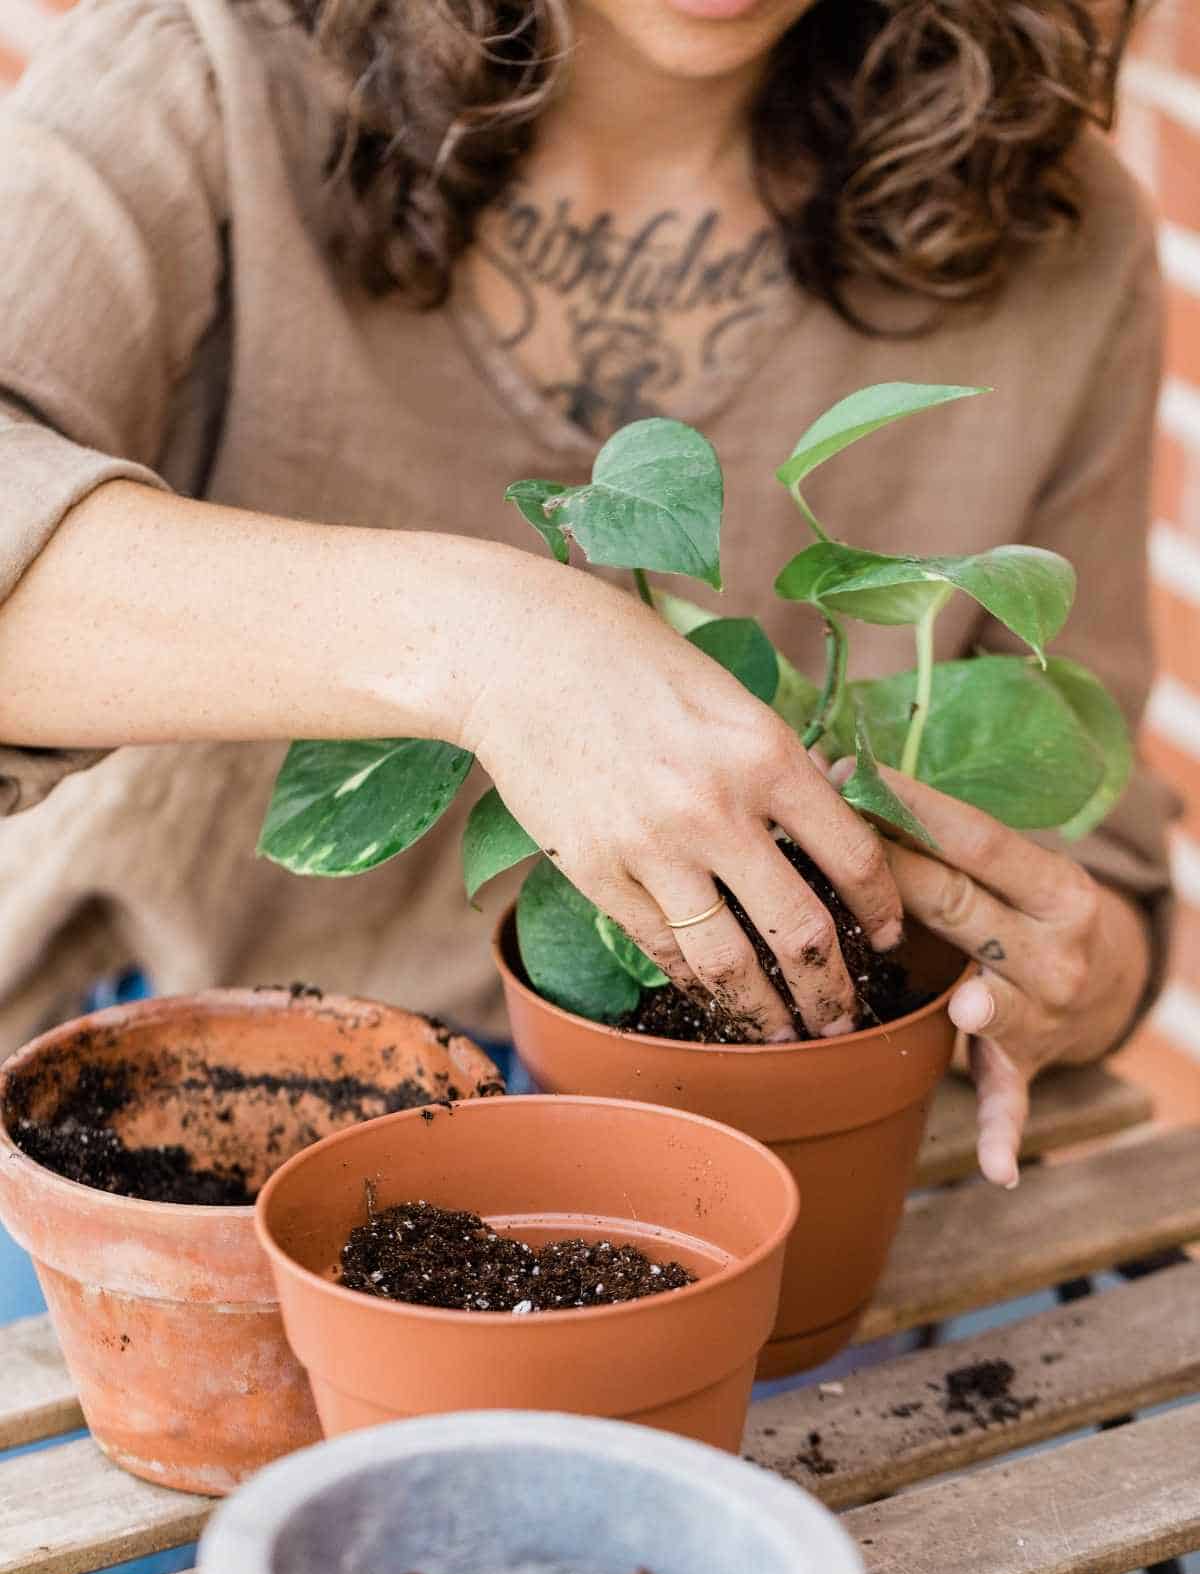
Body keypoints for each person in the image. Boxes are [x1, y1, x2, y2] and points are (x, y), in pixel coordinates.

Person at [0, 0, 1173, 1188]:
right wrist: (487, 644)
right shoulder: (207, 65)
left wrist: (1069, 979)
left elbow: (1101, 881)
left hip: (768, 1138)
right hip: (197, 1093)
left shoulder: (1043, 216)